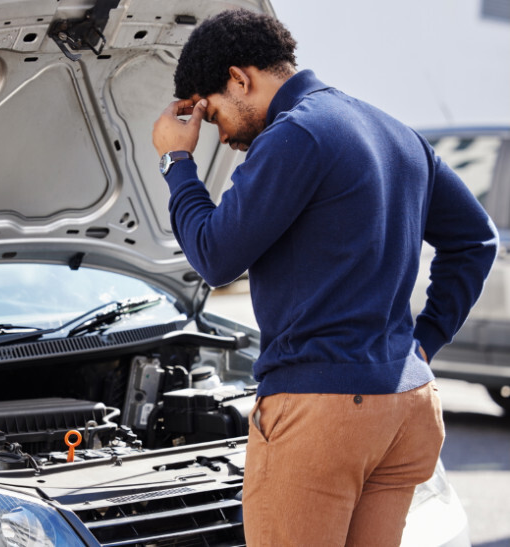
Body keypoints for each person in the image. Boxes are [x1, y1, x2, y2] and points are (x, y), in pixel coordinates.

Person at [152, 8, 498, 547]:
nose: (218, 136)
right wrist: (423, 344)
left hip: (324, 412)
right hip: (407, 407)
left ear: (240, 78)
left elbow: (215, 255)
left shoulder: (296, 136)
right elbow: (476, 240)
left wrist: (176, 161)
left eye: (215, 115)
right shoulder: (393, 129)